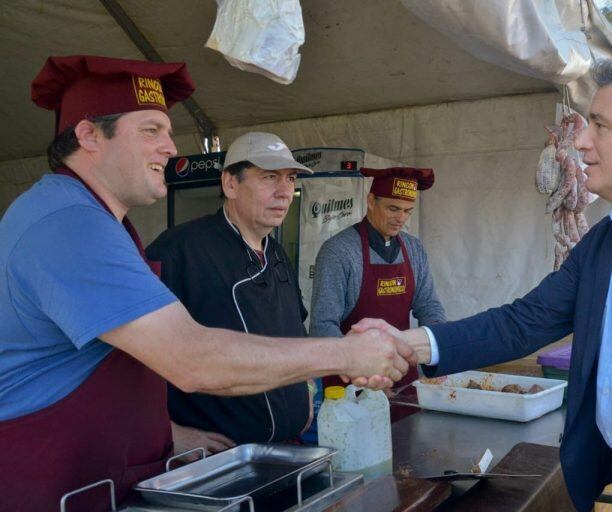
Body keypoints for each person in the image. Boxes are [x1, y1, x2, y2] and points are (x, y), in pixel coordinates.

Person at [0, 55, 413, 511]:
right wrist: (346, 353)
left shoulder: (96, 220)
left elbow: (120, 356)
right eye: (151, 131)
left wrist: (167, 432)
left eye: (168, 132)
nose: (170, 149)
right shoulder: (69, 223)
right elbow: (190, 358)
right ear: (89, 135)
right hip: (54, 483)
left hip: (103, 476)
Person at [355, 59, 612, 511]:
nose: (582, 143)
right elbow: (523, 321)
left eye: (600, 126)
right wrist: (411, 343)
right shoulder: (605, 241)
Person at [146, 132, 315, 452]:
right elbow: (127, 361)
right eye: (269, 177)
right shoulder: (178, 250)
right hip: (220, 459)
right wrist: (169, 432)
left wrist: (305, 388)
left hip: (286, 448)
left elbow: (296, 330)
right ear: (230, 184)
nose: (284, 192)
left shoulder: (277, 253)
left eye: (290, 178)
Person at [310, 167, 446, 421]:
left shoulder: (414, 249)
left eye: (407, 211)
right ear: (371, 201)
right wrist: (363, 373)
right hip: (352, 387)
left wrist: (442, 355)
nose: (401, 219)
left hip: (403, 382)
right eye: (393, 209)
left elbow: (429, 307)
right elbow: (322, 326)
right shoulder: (339, 251)